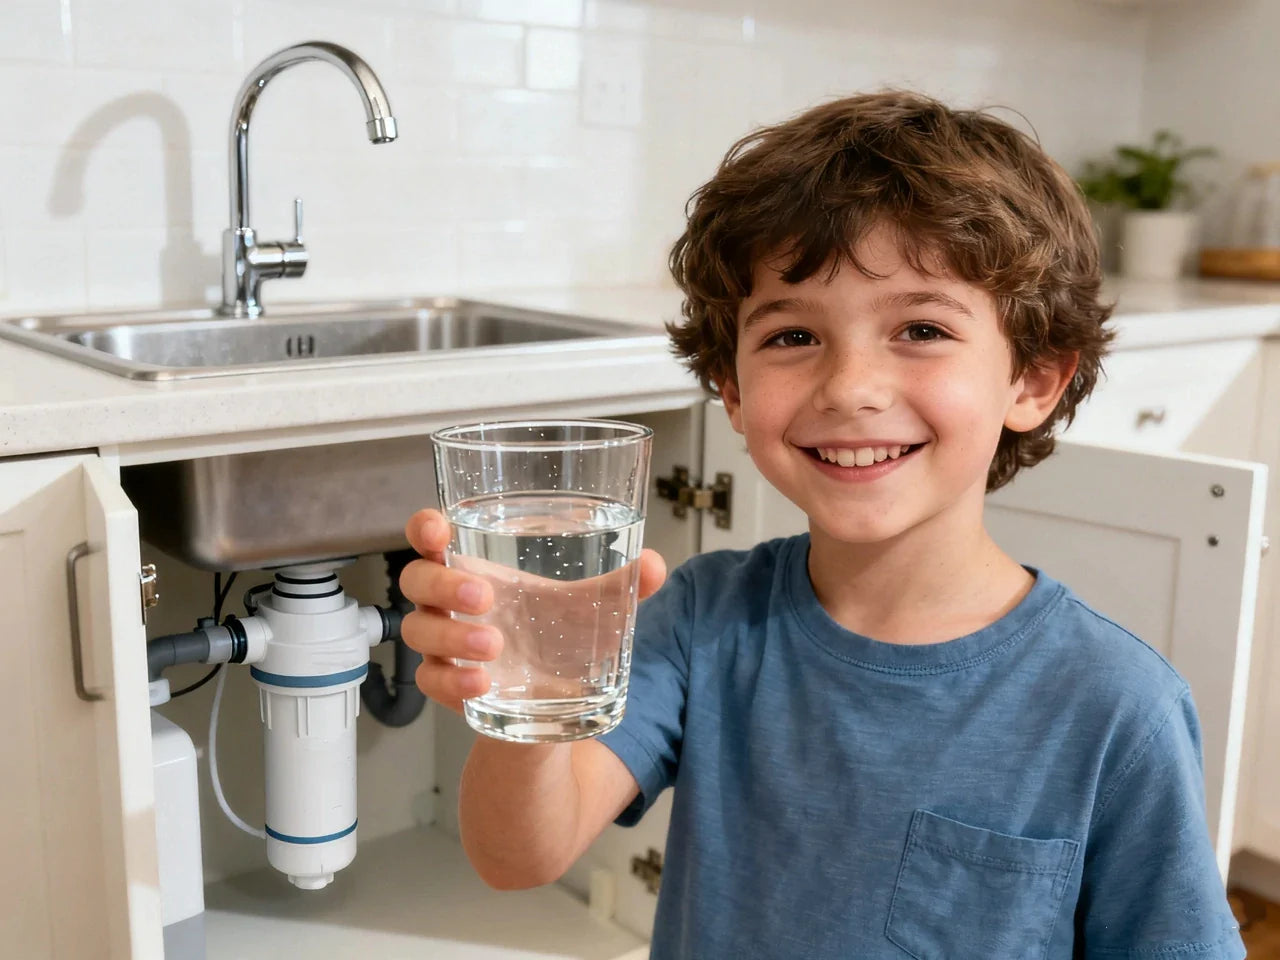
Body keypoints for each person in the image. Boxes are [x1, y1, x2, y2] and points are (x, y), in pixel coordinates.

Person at [399, 91, 1245, 958]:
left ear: (1032, 379)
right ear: (730, 389)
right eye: (793, 337)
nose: (850, 387)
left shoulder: (1117, 709)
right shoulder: (704, 619)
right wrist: (531, 689)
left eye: (920, 328)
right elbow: (518, 857)